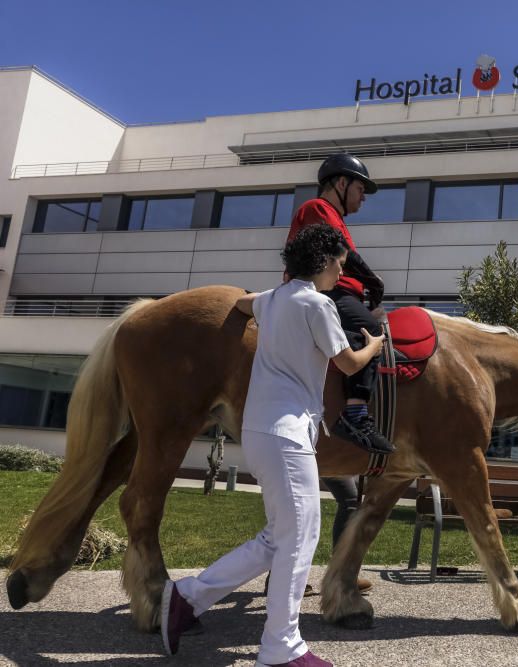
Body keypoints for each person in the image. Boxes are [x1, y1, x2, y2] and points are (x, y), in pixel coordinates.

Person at [160, 224, 385, 666]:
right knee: (301, 536)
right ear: (322, 262)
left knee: (278, 537)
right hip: (288, 435)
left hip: (261, 433)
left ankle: (185, 598)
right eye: (339, 260)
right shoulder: (319, 305)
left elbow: (242, 302)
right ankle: (281, 647)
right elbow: (347, 361)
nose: (342, 268)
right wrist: (374, 346)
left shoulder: (272, 299)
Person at [286, 152, 393, 456]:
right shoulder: (317, 207)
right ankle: (355, 414)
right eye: (360, 189)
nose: (363, 198)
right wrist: (372, 279)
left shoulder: (335, 216)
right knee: (369, 327)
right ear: (342, 183)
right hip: (321, 291)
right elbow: (338, 248)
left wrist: (368, 284)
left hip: (339, 292)